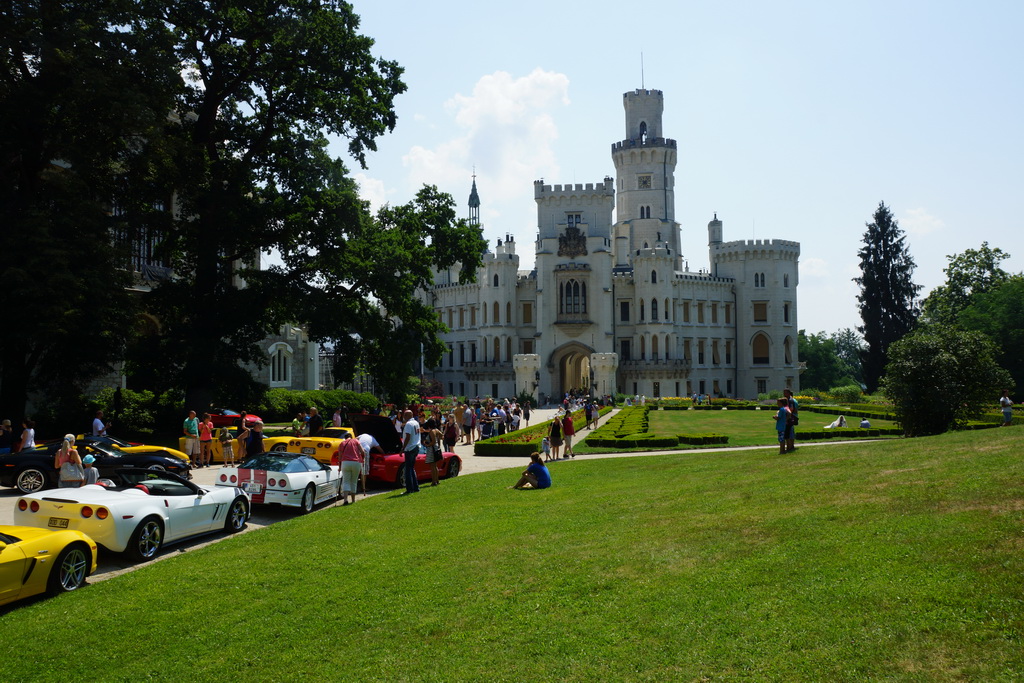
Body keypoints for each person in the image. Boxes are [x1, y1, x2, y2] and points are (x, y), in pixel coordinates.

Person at [336, 434, 364, 506]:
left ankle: (345, 499)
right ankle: (353, 500)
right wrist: (362, 459)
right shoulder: (356, 441)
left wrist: (339, 467)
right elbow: (363, 451)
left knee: (346, 481)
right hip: (356, 462)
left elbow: (339, 457)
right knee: (354, 481)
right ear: (351, 437)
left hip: (345, 463)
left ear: (345, 438)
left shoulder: (342, 443)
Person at [400, 409, 420, 494]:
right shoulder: (416, 422)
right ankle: (415, 487)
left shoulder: (408, 424)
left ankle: (409, 489)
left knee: (408, 469)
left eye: (405, 415)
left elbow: (408, 437)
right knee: (412, 468)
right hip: (416, 446)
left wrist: (403, 448)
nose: (403, 417)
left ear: (408, 415)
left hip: (410, 448)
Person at [423, 418, 444, 487]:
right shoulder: (437, 430)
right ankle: (437, 480)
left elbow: (433, 441)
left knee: (432, 466)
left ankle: (434, 481)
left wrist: (427, 444)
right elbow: (442, 436)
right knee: (435, 466)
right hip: (436, 449)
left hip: (431, 450)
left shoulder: (432, 431)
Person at [783, 388, 799, 453]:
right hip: (792, 417)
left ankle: (790, 446)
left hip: (790, 418)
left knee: (789, 432)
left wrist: (787, 416)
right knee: (791, 432)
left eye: (785, 392)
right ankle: (791, 446)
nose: (784, 394)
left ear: (789, 393)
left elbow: (792, 409)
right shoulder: (791, 399)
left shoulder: (790, 400)